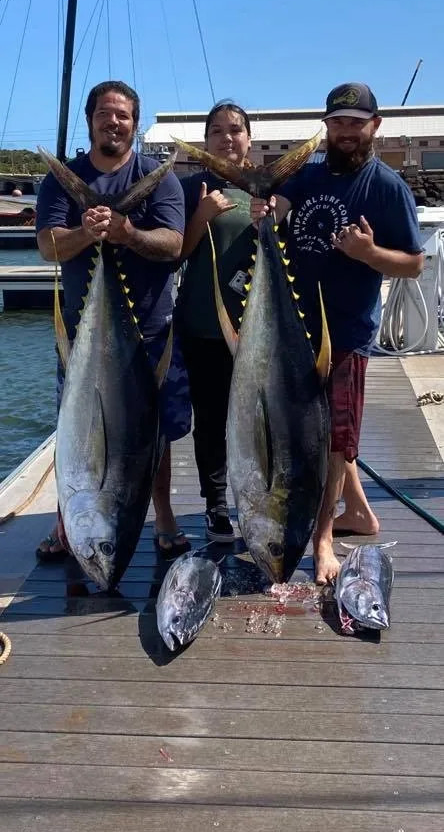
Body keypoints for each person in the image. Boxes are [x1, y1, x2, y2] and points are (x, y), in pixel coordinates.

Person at [251, 82, 424, 584]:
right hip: (290, 330)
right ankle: (360, 514)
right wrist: (270, 209)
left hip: (344, 335)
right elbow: (282, 206)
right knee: (311, 430)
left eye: (356, 122)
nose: (346, 131)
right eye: (338, 122)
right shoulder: (305, 175)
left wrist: (368, 255)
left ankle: (323, 540)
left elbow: (413, 264)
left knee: (330, 439)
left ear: (375, 126)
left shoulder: (386, 187)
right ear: (325, 127)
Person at [35, 79, 192, 560]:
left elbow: (173, 244)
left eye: (123, 115)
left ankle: (163, 515)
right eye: (105, 113)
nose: (114, 122)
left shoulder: (158, 178)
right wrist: (85, 232)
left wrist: (125, 232)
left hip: (151, 333)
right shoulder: (63, 180)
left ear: (134, 122)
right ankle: (69, 523)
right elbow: (47, 246)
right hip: (83, 336)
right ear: (91, 120)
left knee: (157, 430)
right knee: (79, 428)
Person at [176, 100, 258, 541]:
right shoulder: (190, 189)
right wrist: (201, 216)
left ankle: (255, 497)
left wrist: (273, 222)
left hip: (257, 333)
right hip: (203, 327)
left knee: (252, 419)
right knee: (211, 419)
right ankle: (217, 504)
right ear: (204, 141)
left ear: (249, 138)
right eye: (217, 131)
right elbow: (176, 255)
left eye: (235, 130)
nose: (227, 138)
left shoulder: (267, 190)